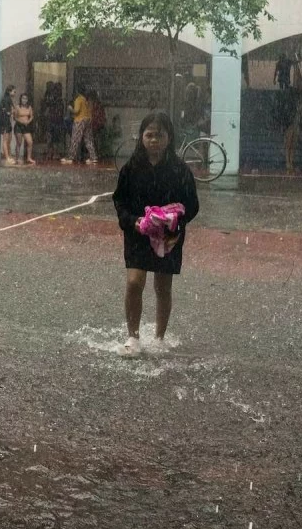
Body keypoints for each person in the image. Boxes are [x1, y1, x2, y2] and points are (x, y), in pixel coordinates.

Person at [112, 112, 200, 356]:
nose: (153, 140)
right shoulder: (131, 168)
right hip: (138, 233)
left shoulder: (180, 170)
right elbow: (120, 201)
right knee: (134, 282)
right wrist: (134, 221)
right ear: (141, 137)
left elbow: (192, 205)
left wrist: (174, 221)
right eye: (148, 135)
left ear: (168, 137)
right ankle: (133, 336)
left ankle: (159, 337)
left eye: (158, 135)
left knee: (163, 287)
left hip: (168, 238)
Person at [60, 85, 97, 165]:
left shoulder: (79, 99)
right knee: (88, 139)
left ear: (77, 92)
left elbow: (76, 111)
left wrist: (70, 108)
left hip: (79, 120)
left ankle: (70, 157)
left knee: (75, 139)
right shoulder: (87, 100)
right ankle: (93, 157)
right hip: (88, 120)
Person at [275, 86, 300, 175]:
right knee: (289, 144)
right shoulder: (290, 105)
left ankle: (290, 162)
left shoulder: (293, 105)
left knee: (292, 145)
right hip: (290, 125)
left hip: (293, 125)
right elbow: (287, 116)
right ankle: (288, 162)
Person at [41, 82, 65, 160]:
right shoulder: (58, 99)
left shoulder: (49, 98)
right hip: (55, 120)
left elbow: (46, 109)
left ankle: (50, 152)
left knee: (51, 137)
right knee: (54, 138)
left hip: (52, 120)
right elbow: (60, 112)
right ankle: (54, 153)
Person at [14, 93, 35, 164]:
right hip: (19, 126)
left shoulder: (29, 107)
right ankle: (17, 158)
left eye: (26, 99)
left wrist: (28, 121)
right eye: (23, 98)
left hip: (26, 126)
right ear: (21, 99)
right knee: (19, 142)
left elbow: (32, 116)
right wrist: (21, 122)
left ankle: (29, 158)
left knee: (30, 142)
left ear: (27, 100)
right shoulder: (17, 107)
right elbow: (15, 117)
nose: (24, 100)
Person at [0, 85, 16, 164]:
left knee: (9, 139)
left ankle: (8, 155)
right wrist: (12, 112)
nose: (15, 93)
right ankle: (7, 157)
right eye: (14, 92)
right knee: (5, 140)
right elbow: (7, 112)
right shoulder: (6, 100)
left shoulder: (8, 99)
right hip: (5, 122)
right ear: (9, 91)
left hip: (7, 122)